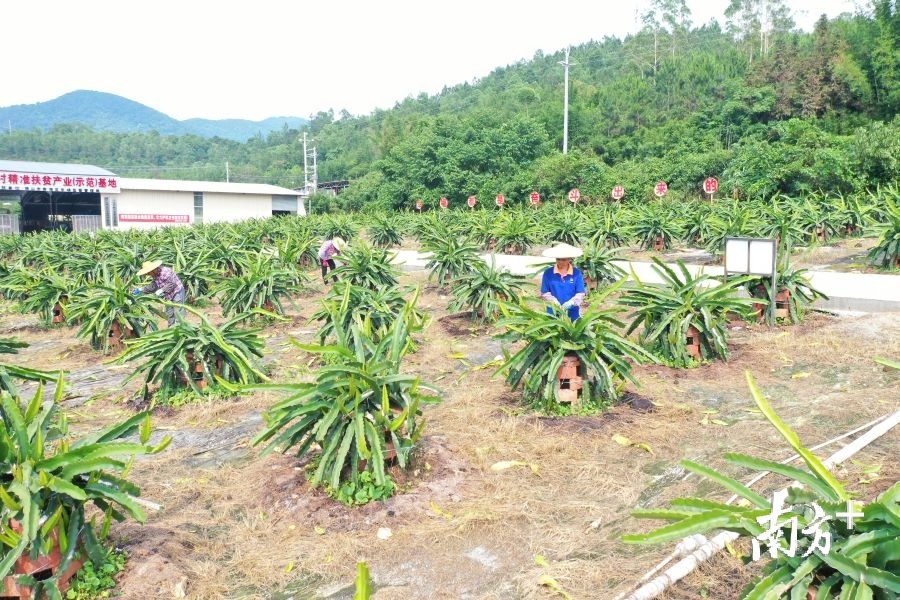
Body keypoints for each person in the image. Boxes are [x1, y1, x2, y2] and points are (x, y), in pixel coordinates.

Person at [539, 243, 586, 321]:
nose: (560, 262)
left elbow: (580, 292)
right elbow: (545, 292)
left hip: (572, 310)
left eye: (564, 259)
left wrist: (571, 302)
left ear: (569, 259)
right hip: (552, 309)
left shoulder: (576, 273)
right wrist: (553, 301)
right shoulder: (548, 273)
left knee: (572, 330)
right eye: (558, 259)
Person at [133, 260, 186, 326]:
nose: (147, 275)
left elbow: (172, 284)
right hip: (168, 295)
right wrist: (141, 289)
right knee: (170, 314)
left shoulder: (165, 272)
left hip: (177, 292)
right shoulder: (155, 275)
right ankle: (172, 331)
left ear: (153, 270)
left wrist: (162, 290)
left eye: (148, 273)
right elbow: (153, 286)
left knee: (179, 313)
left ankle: (181, 330)